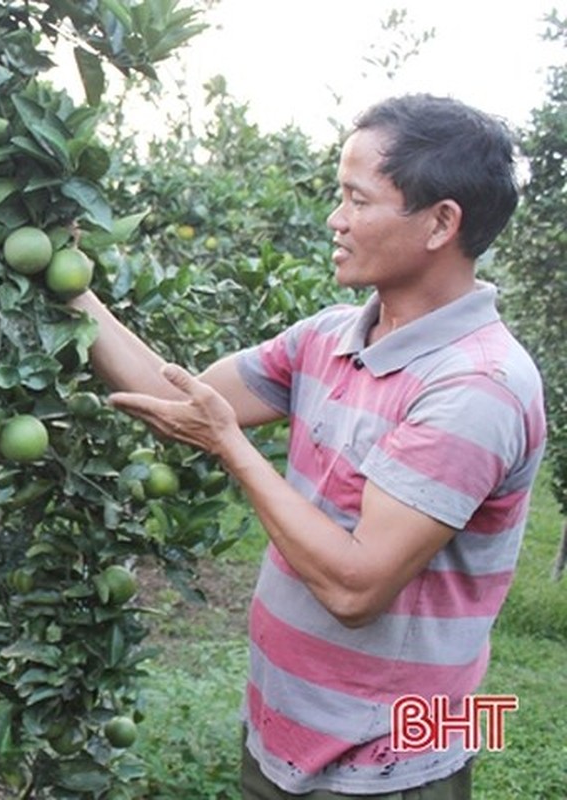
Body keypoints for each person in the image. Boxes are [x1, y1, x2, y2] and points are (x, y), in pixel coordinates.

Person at [70, 94, 546, 797]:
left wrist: (233, 449)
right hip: (284, 730)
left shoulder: (478, 385)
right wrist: (68, 281)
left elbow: (356, 587)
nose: (336, 219)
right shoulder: (328, 337)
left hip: (388, 766)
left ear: (442, 221)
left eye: (357, 199)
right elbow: (182, 402)